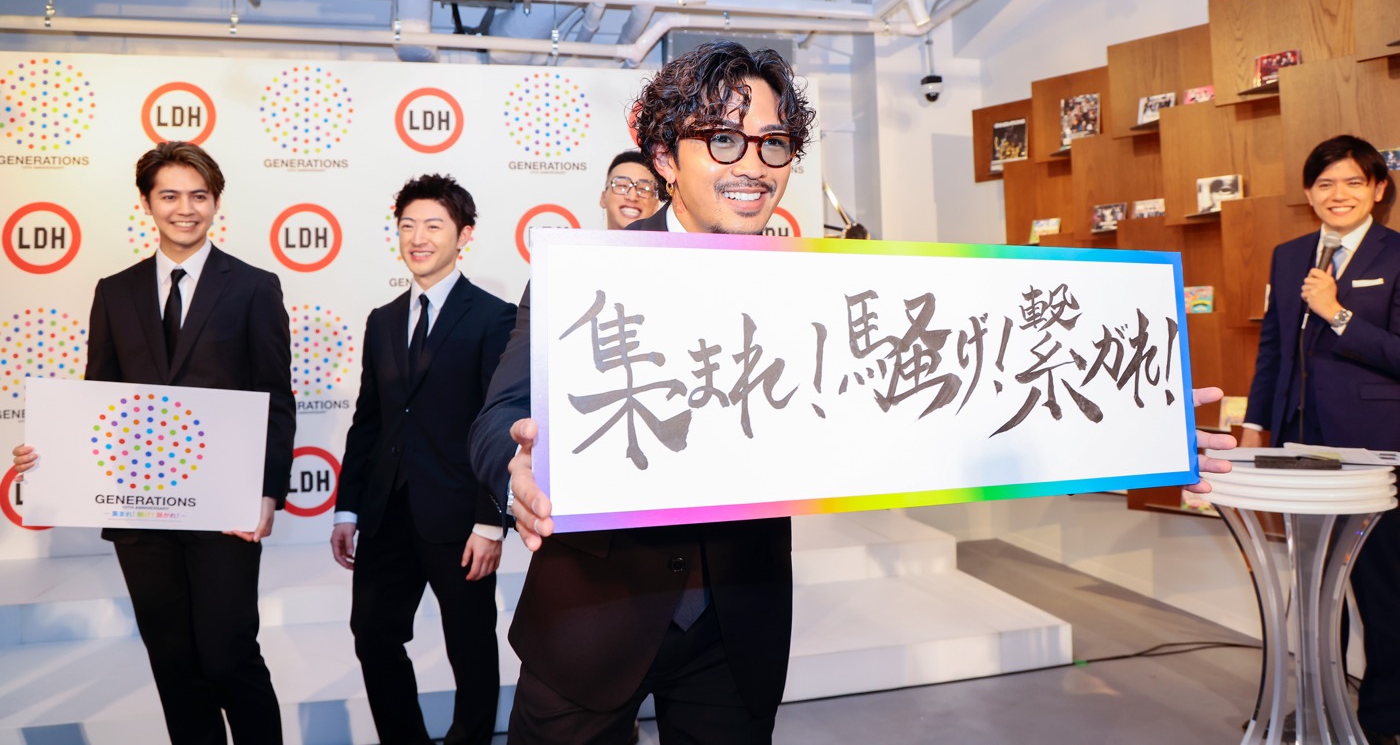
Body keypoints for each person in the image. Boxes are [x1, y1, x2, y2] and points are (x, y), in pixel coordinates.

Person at [469, 40, 1237, 744]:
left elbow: (953, 396)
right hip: (594, 615)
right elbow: (500, 414)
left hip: (737, 625)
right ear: (666, 156)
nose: (754, 165)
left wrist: (1146, 431)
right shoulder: (589, 270)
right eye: (724, 139)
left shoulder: (818, 287)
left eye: (774, 143)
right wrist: (516, 469)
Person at [12, 141, 295, 745]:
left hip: (224, 507)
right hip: (139, 509)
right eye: (169, 196)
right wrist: (50, 456)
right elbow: (99, 398)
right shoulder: (115, 291)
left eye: (198, 196)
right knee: (173, 663)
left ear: (216, 202)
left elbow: (275, 396)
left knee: (228, 654)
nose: (184, 209)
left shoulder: (254, 287)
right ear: (146, 203)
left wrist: (268, 491)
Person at [331, 174, 515, 745]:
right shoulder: (382, 320)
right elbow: (369, 421)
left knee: (470, 646)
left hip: (460, 518)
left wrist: (491, 522)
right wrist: (347, 510)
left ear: (465, 235)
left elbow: (499, 428)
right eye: (408, 225)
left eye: (433, 225)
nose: (418, 237)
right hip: (386, 512)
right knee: (373, 636)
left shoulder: (494, 317)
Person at [1242, 134, 1400, 745]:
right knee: (1311, 592)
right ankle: (1311, 710)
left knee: (1381, 591)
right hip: (1299, 448)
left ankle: (1385, 720)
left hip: (1374, 450)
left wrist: (1338, 314)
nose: (1339, 194)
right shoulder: (1288, 256)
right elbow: (1274, 347)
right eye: (1325, 183)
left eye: (1354, 182)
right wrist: (1256, 423)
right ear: (1309, 194)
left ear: (1378, 190)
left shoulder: (1396, 254)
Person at [599, 149, 663, 230]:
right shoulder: (584, 238)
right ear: (603, 198)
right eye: (622, 186)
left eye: (643, 189)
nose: (632, 197)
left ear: (656, 205)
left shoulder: (673, 238)